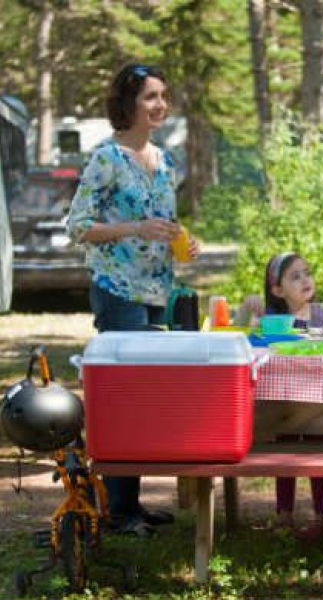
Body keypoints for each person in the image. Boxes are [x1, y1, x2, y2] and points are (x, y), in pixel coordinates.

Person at [67, 64, 199, 537]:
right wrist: (134, 229)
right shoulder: (106, 158)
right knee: (123, 398)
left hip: (156, 290)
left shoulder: (165, 162)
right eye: (149, 97)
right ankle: (118, 510)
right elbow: (78, 226)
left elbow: (162, 224)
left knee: (143, 398)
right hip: (117, 290)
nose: (159, 104)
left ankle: (131, 504)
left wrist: (183, 239)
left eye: (163, 95)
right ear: (127, 104)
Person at [243, 252, 323, 539]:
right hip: (284, 402)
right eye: (295, 276)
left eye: (307, 272)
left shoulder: (320, 314)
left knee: (319, 457)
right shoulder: (271, 321)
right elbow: (241, 335)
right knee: (284, 457)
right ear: (277, 290)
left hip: (316, 401)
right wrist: (247, 312)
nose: (306, 280)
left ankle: (322, 518)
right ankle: (284, 515)